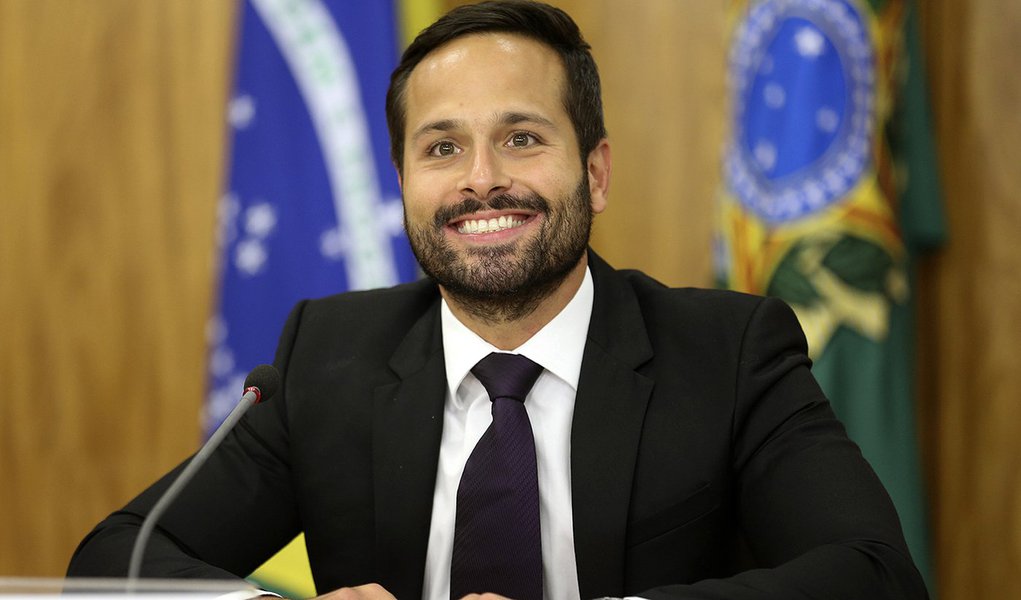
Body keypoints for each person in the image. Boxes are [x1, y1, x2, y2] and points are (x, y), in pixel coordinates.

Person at [67, 1, 928, 599]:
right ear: (402, 182)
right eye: (441, 148)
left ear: (595, 173)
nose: (480, 181)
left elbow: (874, 574)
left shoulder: (726, 353)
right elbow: (116, 559)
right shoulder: (327, 357)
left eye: (520, 138)